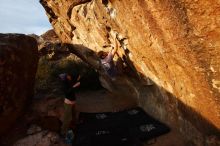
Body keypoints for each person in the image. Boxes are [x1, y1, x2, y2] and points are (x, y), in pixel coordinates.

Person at [59, 72, 81, 140]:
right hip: (68, 102)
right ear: (65, 78)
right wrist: (74, 86)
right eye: (68, 76)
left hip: (72, 101)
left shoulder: (68, 82)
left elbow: (73, 85)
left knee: (74, 114)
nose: (69, 76)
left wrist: (78, 80)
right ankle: (63, 132)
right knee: (67, 118)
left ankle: (75, 124)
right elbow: (68, 92)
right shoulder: (64, 85)